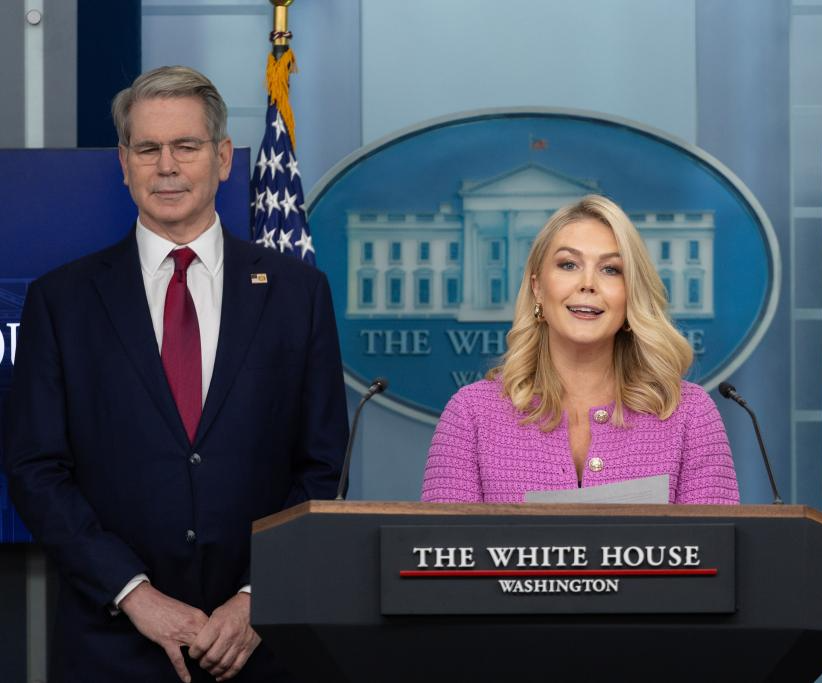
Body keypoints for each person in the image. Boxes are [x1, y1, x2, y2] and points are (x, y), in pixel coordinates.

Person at [2, 66, 348, 682]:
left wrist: (255, 597)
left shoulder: (298, 294)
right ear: (124, 163)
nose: (166, 166)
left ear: (222, 158)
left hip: (259, 648)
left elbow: (323, 466)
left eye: (186, 146)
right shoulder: (63, 301)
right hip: (111, 647)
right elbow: (36, 469)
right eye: (148, 149)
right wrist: (134, 594)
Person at [421, 195, 739, 505]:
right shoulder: (471, 415)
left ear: (632, 294)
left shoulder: (690, 414)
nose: (588, 283)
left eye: (610, 269)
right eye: (569, 264)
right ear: (537, 288)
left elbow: (715, 540)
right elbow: (442, 540)